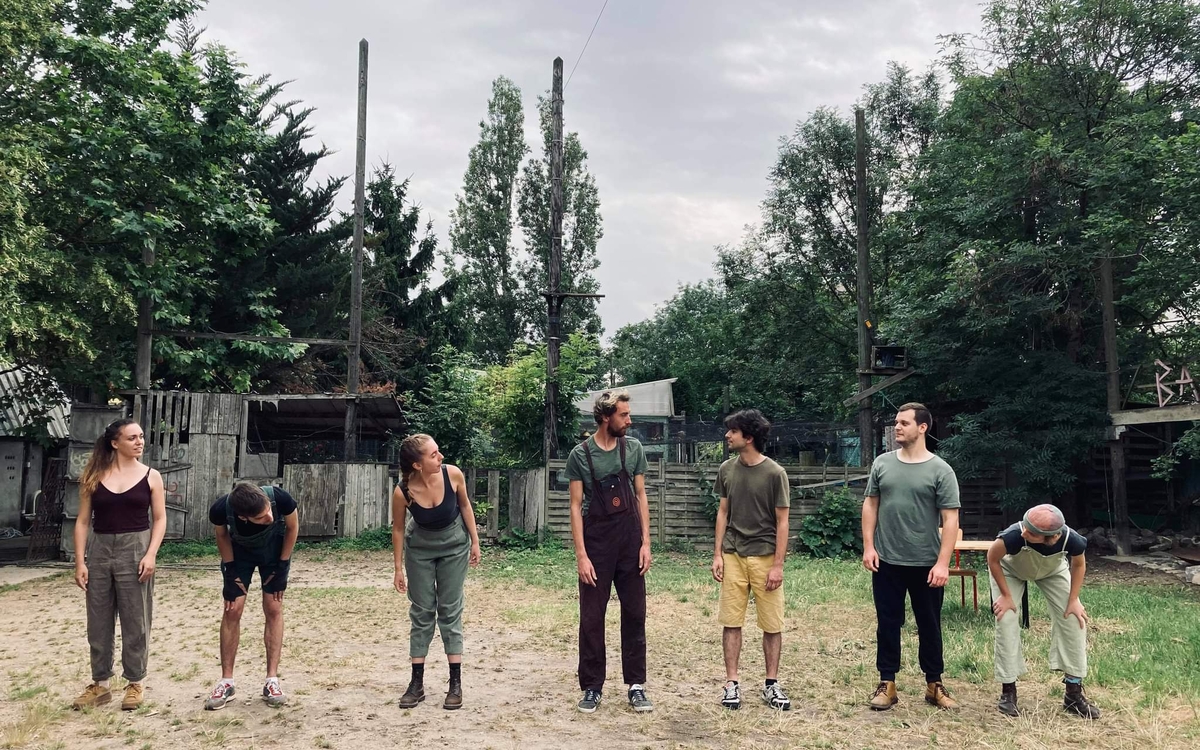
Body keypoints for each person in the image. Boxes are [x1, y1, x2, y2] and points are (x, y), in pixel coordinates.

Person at [861, 403, 961, 710]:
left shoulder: (940, 470)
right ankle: (887, 683)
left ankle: (934, 684)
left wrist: (943, 563)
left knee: (929, 624)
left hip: (927, 563)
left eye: (904, 422)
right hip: (887, 560)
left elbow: (951, 519)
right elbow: (870, 505)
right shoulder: (882, 463)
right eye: (896, 422)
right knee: (887, 622)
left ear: (922, 428)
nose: (897, 427)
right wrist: (869, 546)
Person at [566, 390, 653, 714]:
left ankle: (636, 685)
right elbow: (575, 507)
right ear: (605, 417)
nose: (629, 420)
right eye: (624, 415)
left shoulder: (634, 449)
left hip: (630, 541)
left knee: (634, 613)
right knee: (591, 617)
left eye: (628, 414)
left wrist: (646, 543)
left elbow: (642, 496)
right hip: (597, 543)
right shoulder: (581, 454)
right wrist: (582, 555)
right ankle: (592, 686)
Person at [72, 418, 167, 711]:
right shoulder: (94, 475)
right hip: (100, 550)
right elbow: (83, 521)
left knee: (135, 618)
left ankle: (135, 682)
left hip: (135, 548)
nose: (139, 442)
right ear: (115, 443)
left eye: (141, 437)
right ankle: (100, 685)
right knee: (98, 619)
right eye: (132, 438)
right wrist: (80, 562)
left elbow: (160, 519)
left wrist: (150, 554)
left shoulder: (151, 476)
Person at [391, 434, 482, 710]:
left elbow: (465, 505)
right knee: (422, 611)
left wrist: (475, 540)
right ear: (417, 465)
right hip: (419, 550)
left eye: (438, 452)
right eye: (433, 455)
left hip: (454, 546)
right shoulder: (403, 491)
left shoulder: (452, 474)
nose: (440, 457)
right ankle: (416, 683)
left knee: (450, 609)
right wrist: (398, 568)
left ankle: (455, 683)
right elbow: (397, 529)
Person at [711, 409, 792, 711]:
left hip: (766, 556)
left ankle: (771, 684)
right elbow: (722, 512)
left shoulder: (775, 474)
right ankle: (732, 683)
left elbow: (782, 521)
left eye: (732, 431)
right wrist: (717, 554)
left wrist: (778, 565)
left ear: (748, 436)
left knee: (771, 624)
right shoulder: (727, 469)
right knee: (731, 622)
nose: (727, 435)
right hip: (733, 554)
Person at [988, 504, 1100, 719]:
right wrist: (1005, 596)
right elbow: (993, 559)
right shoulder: (1012, 536)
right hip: (1009, 570)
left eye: (1031, 533)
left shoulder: (1071, 539)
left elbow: (1078, 565)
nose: (1024, 532)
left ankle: (1073, 694)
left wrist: (1074, 599)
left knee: (1075, 621)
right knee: (1006, 619)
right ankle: (1008, 692)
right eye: (1026, 527)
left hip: (1052, 571)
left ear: (1053, 537)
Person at [204, 482, 299, 710]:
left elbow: (293, 528)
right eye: (260, 516)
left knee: (274, 607)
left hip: (274, 555)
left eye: (268, 510)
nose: (268, 515)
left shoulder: (280, 498)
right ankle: (227, 682)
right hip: (240, 556)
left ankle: (272, 681)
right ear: (243, 517)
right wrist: (231, 570)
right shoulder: (220, 510)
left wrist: (282, 566)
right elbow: (222, 536)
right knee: (232, 609)